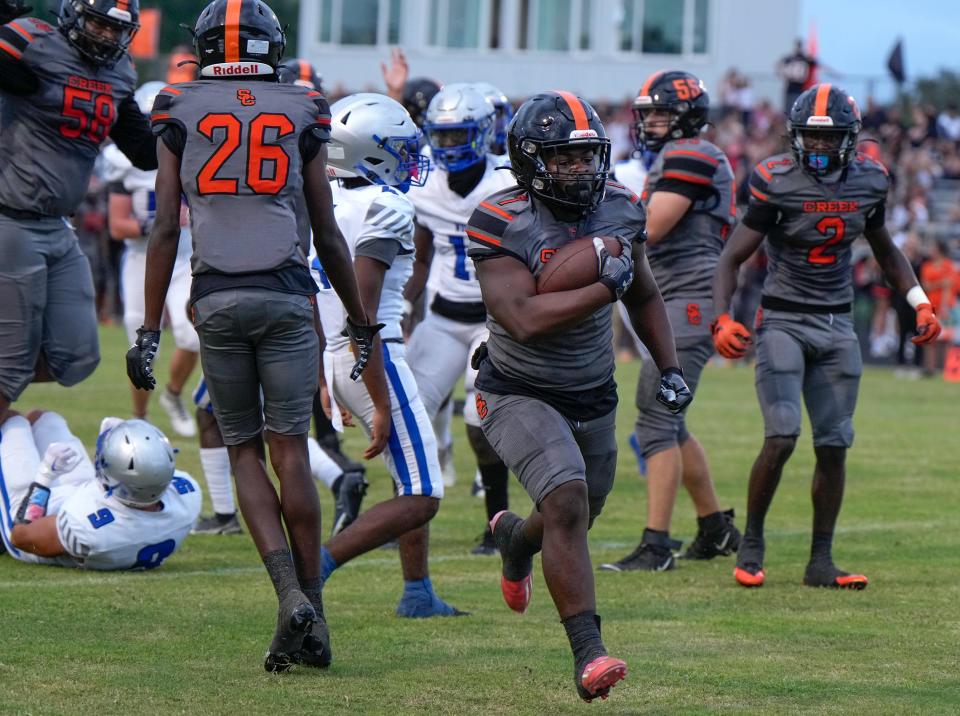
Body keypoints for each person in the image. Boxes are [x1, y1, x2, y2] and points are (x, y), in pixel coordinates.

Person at [125, 0, 388, 672]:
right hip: (285, 292)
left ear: (206, 45)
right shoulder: (304, 105)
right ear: (273, 43)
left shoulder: (178, 105)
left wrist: (150, 329)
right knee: (290, 451)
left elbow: (163, 228)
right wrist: (360, 322)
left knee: (242, 452)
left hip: (216, 294)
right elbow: (327, 231)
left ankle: (289, 598)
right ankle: (314, 614)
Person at [467, 91, 692, 701]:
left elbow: (642, 293)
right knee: (565, 497)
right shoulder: (498, 216)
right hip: (516, 388)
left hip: (591, 389)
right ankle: (589, 654)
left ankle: (517, 539)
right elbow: (523, 318)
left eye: (587, 156)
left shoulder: (619, 206)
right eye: (563, 159)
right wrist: (602, 288)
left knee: (577, 513)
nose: (579, 170)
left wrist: (667, 364)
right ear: (529, 160)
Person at [713, 84, 942, 590]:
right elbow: (731, 257)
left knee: (835, 444)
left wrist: (920, 301)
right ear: (794, 138)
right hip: (783, 321)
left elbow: (886, 251)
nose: (818, 149)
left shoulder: (869, 180)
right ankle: (752, 541)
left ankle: (821, 560)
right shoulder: (774, 179)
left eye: (830, 139)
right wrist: (723, 318)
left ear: (850, 139)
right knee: (782, 435)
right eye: (810, 139)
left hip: (838, 325)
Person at [314, 92, 463, 618]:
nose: (409, 157)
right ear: (371, 152)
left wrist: (326, 377)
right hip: (372, 351)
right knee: (424, 494)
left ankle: (417, 592)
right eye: (398, 147)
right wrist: (377, 395)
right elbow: (365, 310)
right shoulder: (388, 204)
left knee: (410, 479)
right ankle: (318, 565)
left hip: (340, 353)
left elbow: (320, 298)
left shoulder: (327, 200)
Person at [600, 71, 741, 572]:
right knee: (672, 424)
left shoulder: (691, 154)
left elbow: (651, 227)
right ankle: (715, 527)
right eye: (648, 113)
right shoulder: (683, 156)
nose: (651, 121)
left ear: (687, 116)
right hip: (679, 297)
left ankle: (656, 545)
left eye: (661, 112)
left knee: (656, 420)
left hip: (688, 299)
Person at [0, 0, 155, 421]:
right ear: (72, 15)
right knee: (9, 367)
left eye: (116, 29)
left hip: (58, 227)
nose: (107, 36)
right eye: (98, 24)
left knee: (78, 355)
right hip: (11, 217)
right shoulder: (34, 42)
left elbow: (144, 152)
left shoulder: (119, 74)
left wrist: (188, 132)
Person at [405, 83, 517, 555]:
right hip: (444, 316)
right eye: (441, 136)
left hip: (493, 320)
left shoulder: (507, 182)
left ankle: (498, 523)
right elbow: (422, 257)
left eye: (458, 136)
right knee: (406, 412)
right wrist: (407, 308)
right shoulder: (423, 182)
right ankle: (404, 519)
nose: (448, 146)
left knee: (478, 420)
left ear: (482, 133)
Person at [104, 81, 199, 436]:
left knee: (193, 337)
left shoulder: (195, 153)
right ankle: (140, 419)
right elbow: (117, 226)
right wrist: (160, 222)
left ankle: (173, 395)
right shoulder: (124, 161)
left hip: (184, 258)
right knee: (141, 348)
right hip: (142, 260)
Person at [0, 411, 200, 570]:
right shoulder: (187, 495)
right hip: (94, 496)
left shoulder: (89, 530)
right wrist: (119, 439)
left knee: (12, 422)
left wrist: (43, 478)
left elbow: (21, 536)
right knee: (44, 419)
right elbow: (138, 475)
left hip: (37, 517)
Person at [189, 374, 366, 536]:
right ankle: (339, 478)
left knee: (209, 413)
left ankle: (224, 516)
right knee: (276, 423)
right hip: (284, 349)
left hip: (241, 345)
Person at [777, 39, 818, 114]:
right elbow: (815, 62)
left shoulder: (789, 58)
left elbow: (779, 65)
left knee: (790, 111)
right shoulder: (804, 58)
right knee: (796, 110)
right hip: (797, 89)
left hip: (794, 88)